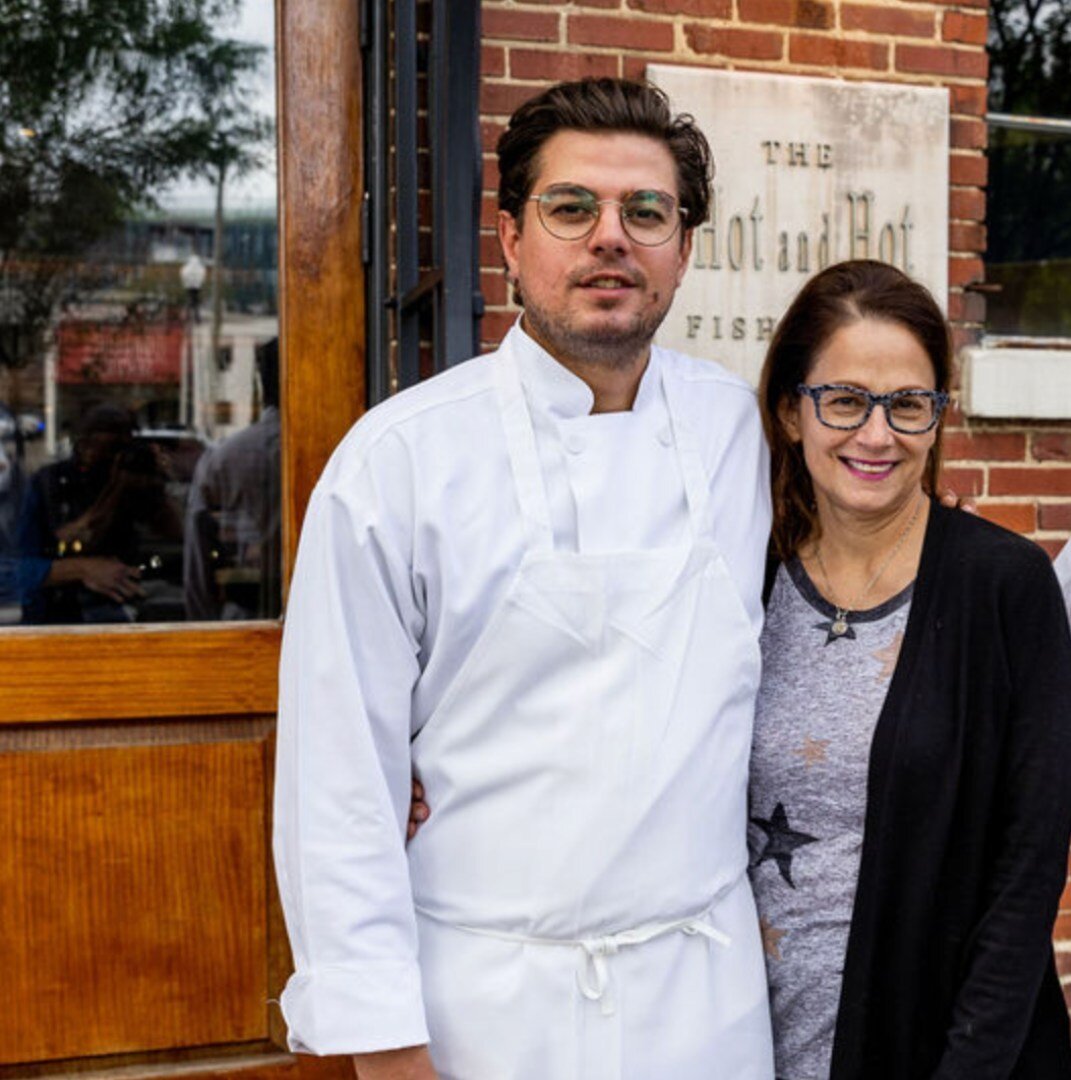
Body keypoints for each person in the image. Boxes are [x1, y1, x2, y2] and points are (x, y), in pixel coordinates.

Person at [273, 78, 775, 1080]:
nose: (611, 238)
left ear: (682, 247)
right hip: (485, 1009)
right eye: (570, 207)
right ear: (509, 237)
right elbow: (338, 785)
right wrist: (383, 1046)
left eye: (648, 212)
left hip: (707, 996)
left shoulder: (742, 433)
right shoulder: (398, 461)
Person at [751, 259, 1071, 1078]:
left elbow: (1028, 862)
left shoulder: (1004, 586)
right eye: (845, 400)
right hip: (746, 1035)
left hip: (943, 1050)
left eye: (907, 405)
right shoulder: (739, 584)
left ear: (937, 416)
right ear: (791, 412)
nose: (876, 434)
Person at [16, 403, 181, 623]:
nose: (111, 458)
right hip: (62, 615)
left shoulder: (135, 480)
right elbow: (19, 567)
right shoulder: (53, 483)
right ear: (82, 445)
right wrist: (81, 569)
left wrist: (156, 484)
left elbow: (177, 535)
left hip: (135, 605)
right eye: (104, 448)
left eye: (120, 448)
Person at [183, 337, 281, 620]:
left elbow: (197, 565)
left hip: (244, 621)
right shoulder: (341, 452)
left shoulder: (223, 458)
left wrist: (202, 632)